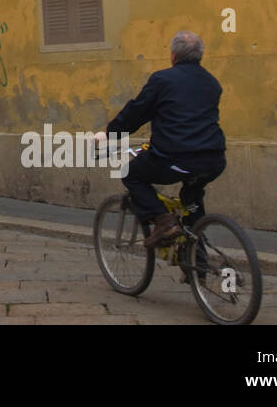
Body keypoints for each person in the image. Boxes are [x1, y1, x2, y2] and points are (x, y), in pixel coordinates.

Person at [96, 31, 226, 248]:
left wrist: (110, 134)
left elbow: (137, 112)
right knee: (192, 201)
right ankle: (198, 266)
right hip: (213, 160)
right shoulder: (212, 83)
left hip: (175, 158)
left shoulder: (163, 80)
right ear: (200, 56)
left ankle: (163, 221)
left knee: (131, 173)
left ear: (173, 55)